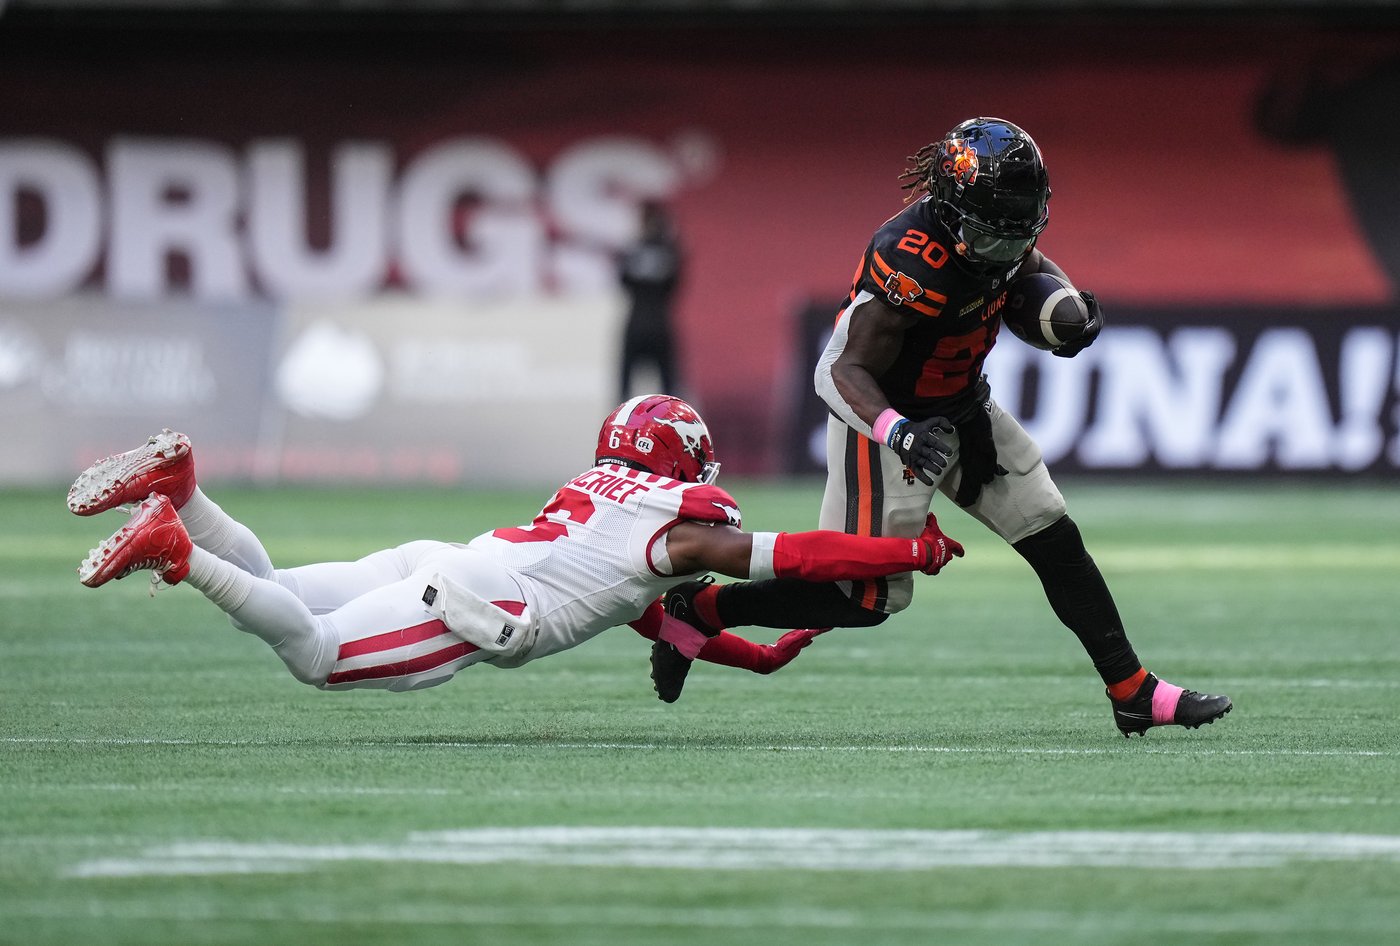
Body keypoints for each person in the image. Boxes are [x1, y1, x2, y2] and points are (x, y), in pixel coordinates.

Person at [653, 119, 1231, 737]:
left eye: (1015, 237)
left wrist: (1065, 309)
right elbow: (836, 369)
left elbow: (1025, 262)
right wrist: (898, 430)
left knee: (1055, 539)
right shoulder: (908, 259)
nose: (1004, 253)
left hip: (962, 408)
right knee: (864, 600)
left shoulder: (998, 234)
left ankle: (1133, 692)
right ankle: (704, 607)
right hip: (886, 423)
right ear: (952, 213)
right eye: (989, 237)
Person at [69, 395, 964, 695]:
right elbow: (800, 557)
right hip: (482, 603)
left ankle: (188, 495)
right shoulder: (680, 524)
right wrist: (906, 554)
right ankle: (179, 551)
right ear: (681, 457)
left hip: (449, 560)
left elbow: (658, 625)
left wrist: (760, 658)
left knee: (281, 598)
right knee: (315, 654)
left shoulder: (594, 491)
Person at [617, 201, 683, 401]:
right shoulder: (668, 251)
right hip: (654, 323)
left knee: (661, 389)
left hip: (643, 323)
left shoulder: (635, 250)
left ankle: (624, 429)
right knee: (666, 390)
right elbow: (674, 284)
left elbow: (624, 281)